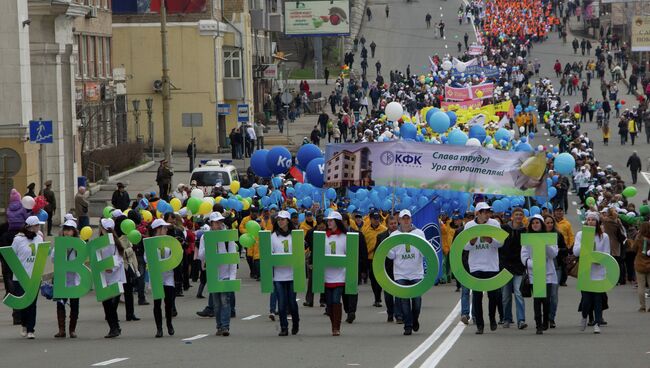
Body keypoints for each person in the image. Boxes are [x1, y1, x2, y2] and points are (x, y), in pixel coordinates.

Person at [464, 202, 503, 334]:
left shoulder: (494, 224)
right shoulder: (469, 226)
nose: (487, 214)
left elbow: (501, 242)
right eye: (484, 212)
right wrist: (472, 241)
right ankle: (479, 325)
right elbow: (464, 246)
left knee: (494, 296)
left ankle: (492, 318)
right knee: (477, 296)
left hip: (491, 265)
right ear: (478, 213)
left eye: (488, 211)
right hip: (476, 266)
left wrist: (491, 240)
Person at [387, 209, 427, 335]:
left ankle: (415, 318)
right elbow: (391, 255)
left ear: (411, 219)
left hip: (416, 273)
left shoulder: (419, 233)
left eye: (407, 218)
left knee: (416, 301)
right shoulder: (393, 236)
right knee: (404, 300)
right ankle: (408, 326)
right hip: (400, 273)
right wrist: (386, 249)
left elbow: (424, 252)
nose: (405, 221)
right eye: (403, 218)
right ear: (399, 220)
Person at [521, 215, 558, 335]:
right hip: (534, 273)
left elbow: (553, 254)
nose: (535, 225)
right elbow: (524, 256)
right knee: (537, 300)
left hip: (547, 273)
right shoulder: (527, 238)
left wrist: (545, 243)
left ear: (542, 224)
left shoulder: (550, 237)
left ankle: (546, 319)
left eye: (537, 222)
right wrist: (533, 264)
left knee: (546, 300)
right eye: (533, 223)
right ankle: (538, 325)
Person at [574, 212, 609, 334]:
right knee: (586, 301)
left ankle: (597, 323)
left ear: (597, 222)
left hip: (598, 272)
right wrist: (585, 243)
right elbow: (576, 251)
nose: (590, 222)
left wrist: (598, 260)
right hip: (585, 272)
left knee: (598, 299)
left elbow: (606, 254)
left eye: (593, 220)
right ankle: (584, 316)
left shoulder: (603, 236)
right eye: (588, 219)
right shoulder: (580, 234)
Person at [11, 216, 45, 339]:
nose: (38, 227)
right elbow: (12, 256)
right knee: (24, 303)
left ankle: (31, 329)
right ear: (29, 227)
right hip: (20, 276)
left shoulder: (39, 238)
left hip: (34, 276)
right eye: (36, 225)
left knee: (32, 303)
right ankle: (24, 325)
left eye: (38, 225)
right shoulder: (18, 240)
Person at [270, 211, 300, 336]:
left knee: (292, 303)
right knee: (281, 304)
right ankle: (284, 327)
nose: (280, 221)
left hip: (292, 275)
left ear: (288, 221)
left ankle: (296, 322)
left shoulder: (295, 236)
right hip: (279, 276)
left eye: (283, 219)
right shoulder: (273, 237)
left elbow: (299, 255)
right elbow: (269, 255)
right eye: (279, 220)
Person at [146, 218, 176, 337]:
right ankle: (159, 328)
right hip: (156, 276)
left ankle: (169, 323)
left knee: (168, 302)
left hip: (168, 276)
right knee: (157, 303)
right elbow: (146, 258)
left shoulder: (169, 242)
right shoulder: (150, 242)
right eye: (164, 228)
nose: (166, 230)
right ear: (158, 229)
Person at [52, 219, 82, 338]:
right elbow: (53, 259)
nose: (67, 232)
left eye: (70, 230)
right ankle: (61, 329)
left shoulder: (79, 245)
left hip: (75, 279)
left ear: (74, 231)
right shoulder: (59, 244)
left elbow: (82, 259)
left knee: (74, 305)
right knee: (60, 304)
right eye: (65, 230)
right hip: (62, 279)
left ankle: (72, 329)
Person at [499, 208, 527, 329]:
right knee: (505, 296)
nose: (518, 216)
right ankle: (507, 318)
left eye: (521, 215)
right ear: (512, 216)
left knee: (518, 293)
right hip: (505, 266)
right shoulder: (504, 228)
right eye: (516, 214)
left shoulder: (525, 230)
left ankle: (521, 319)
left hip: (519, 267)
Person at [98, 218, 126, 338]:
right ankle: (114, 328)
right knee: (107, 304)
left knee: (111, 304)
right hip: (104, 277)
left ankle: (115, 327)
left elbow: (119, 258)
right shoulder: (99, 242)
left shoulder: (115, 242)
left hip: (116, 277)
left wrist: (112, 268)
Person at [323, 211, 347, 336]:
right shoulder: (323, 237)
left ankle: (336, 327)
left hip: (340, 275)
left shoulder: (344, 237)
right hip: (326, 275)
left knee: (336, 300)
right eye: (328, 220)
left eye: (331, 220)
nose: (329, 222)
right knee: (329, 303)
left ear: (337, 222)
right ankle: (333, 324)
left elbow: (349, 255)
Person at [543, 215, 565, 328]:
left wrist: (556, 250)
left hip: (556, 268)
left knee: (553, 295)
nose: (550, 224)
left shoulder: (558, 234)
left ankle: (551, 318)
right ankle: (544, 317)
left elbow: (565, 249)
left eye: (551, 222)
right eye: (547, 222)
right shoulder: (538, 235)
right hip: (541, 268)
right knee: (543, 295)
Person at [362, 210, 386, 307]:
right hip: (370, 258)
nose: (376, 221)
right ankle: (376, 297)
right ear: (370, 219)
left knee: (378, 278)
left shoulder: (384, 229)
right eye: (374, 219)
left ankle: (378, 298)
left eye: (378, 219)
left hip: (380, 257)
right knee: (372, 278)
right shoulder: (366, 230)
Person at [632, 222, 650, 312]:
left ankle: (643, 306)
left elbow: (634, 249)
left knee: (641, 286)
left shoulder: (639, 238)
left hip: (640, 264)